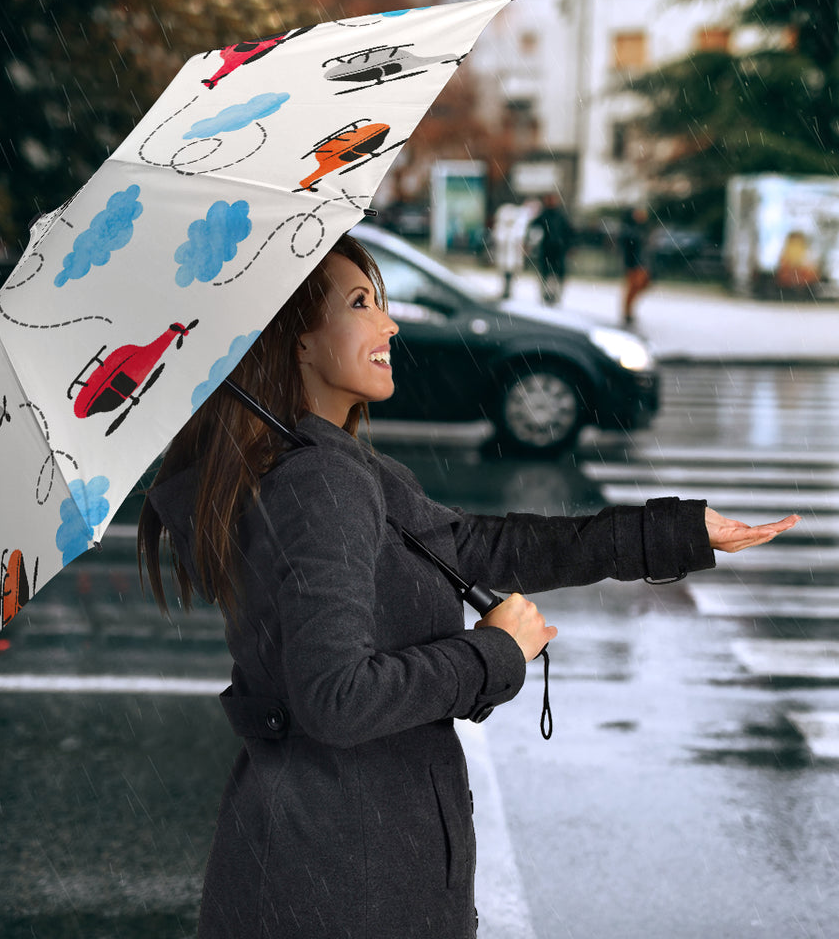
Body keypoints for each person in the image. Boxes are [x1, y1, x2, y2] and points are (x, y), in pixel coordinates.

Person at [137, 234, 798, 939]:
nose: (389, 324)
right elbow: (335, 698)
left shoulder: (327, 468)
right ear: (295, 341)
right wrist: (493, 653)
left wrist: (675, 533)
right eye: (361, 304)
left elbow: (482, 546)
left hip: (330, 862)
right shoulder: (319, 482)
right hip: (346, 881)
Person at [527, 192, 574, 306]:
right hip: (547, 249)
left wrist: (569, 246)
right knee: (546, 273)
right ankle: (546, 294)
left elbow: (569, 232)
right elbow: (533, 228)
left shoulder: (560, 216)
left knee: (556, 274)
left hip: (558, 250)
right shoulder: (544, 215)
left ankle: (554, 295)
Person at [620, 205, 652, 326]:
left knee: (641, 285)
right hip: (634, 263)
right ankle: (627, 312)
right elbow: (629, 244)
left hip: (642, 262)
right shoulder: (630, 229)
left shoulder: (642, 228)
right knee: (633, 287)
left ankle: (629, 310)